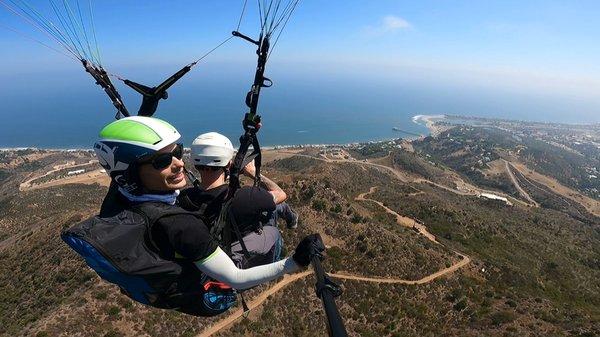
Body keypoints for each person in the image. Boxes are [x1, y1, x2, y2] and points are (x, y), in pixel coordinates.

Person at [63, 116, 324, 316]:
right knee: (272, 226)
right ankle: (291, 221)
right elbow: (235, 278)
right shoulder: (181, 224)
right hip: (209, 295)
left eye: (177, 153)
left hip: (171, 275)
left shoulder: (120, 200)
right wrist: (295, 262)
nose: (178, 163)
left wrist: (146, 110)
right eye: (162, 161)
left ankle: (288, 218)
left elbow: (124, 160)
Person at [180, 132, 299, 229]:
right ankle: (291, 221)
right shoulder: (245, 197)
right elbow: (281, 193)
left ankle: (292, 218)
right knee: (277, 209)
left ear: (195, 165)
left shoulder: (184, 198)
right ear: (229, 164)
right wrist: (252, 172)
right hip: (236, 248)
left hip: (213, 247)